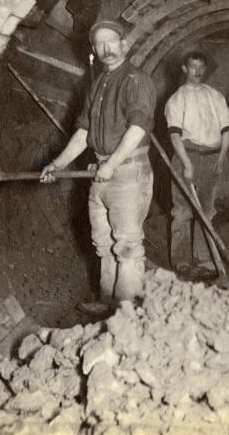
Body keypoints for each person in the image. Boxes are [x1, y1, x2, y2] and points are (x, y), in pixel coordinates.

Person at [40, 20, 156, 315]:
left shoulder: (135, 79)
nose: (106, 48)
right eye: (100, 44)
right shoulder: (99, 83)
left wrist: (113, 163)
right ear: (93, 50)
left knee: (127, 246)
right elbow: (83, 132)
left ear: (124, 45)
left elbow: (139, 127)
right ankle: (108, 302)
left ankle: (126, 315)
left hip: (128, 171)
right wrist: (58, 163)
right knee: (103, 243)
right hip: (101, 172)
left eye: (111, 41)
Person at [165, 51, 229, 276]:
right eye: (193, 66)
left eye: (201, 67)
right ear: (185, 69)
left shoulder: (215, 96)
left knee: (207, 211)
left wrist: (221, 158)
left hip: (212, 157)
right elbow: (175, 135)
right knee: (183, 210)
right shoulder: (177, 98)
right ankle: (181, 261)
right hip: (187, 154)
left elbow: (226, 128)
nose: (198, 71)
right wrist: (186, 164)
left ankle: (203, 258)